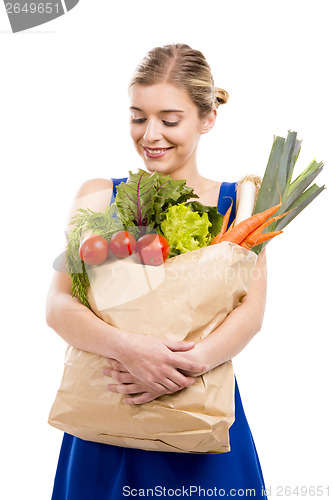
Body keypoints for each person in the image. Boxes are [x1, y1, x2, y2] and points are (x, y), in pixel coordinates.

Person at [47, 43, 268, 499]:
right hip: (108, 416)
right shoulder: (99, 196)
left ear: (207, 119)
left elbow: (251, 312)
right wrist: (130, 350)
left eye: (169, 120)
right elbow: (59, 303)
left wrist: (182, 367)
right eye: (137, 117)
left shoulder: (240, 206)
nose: (150, 134)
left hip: (197, 419)